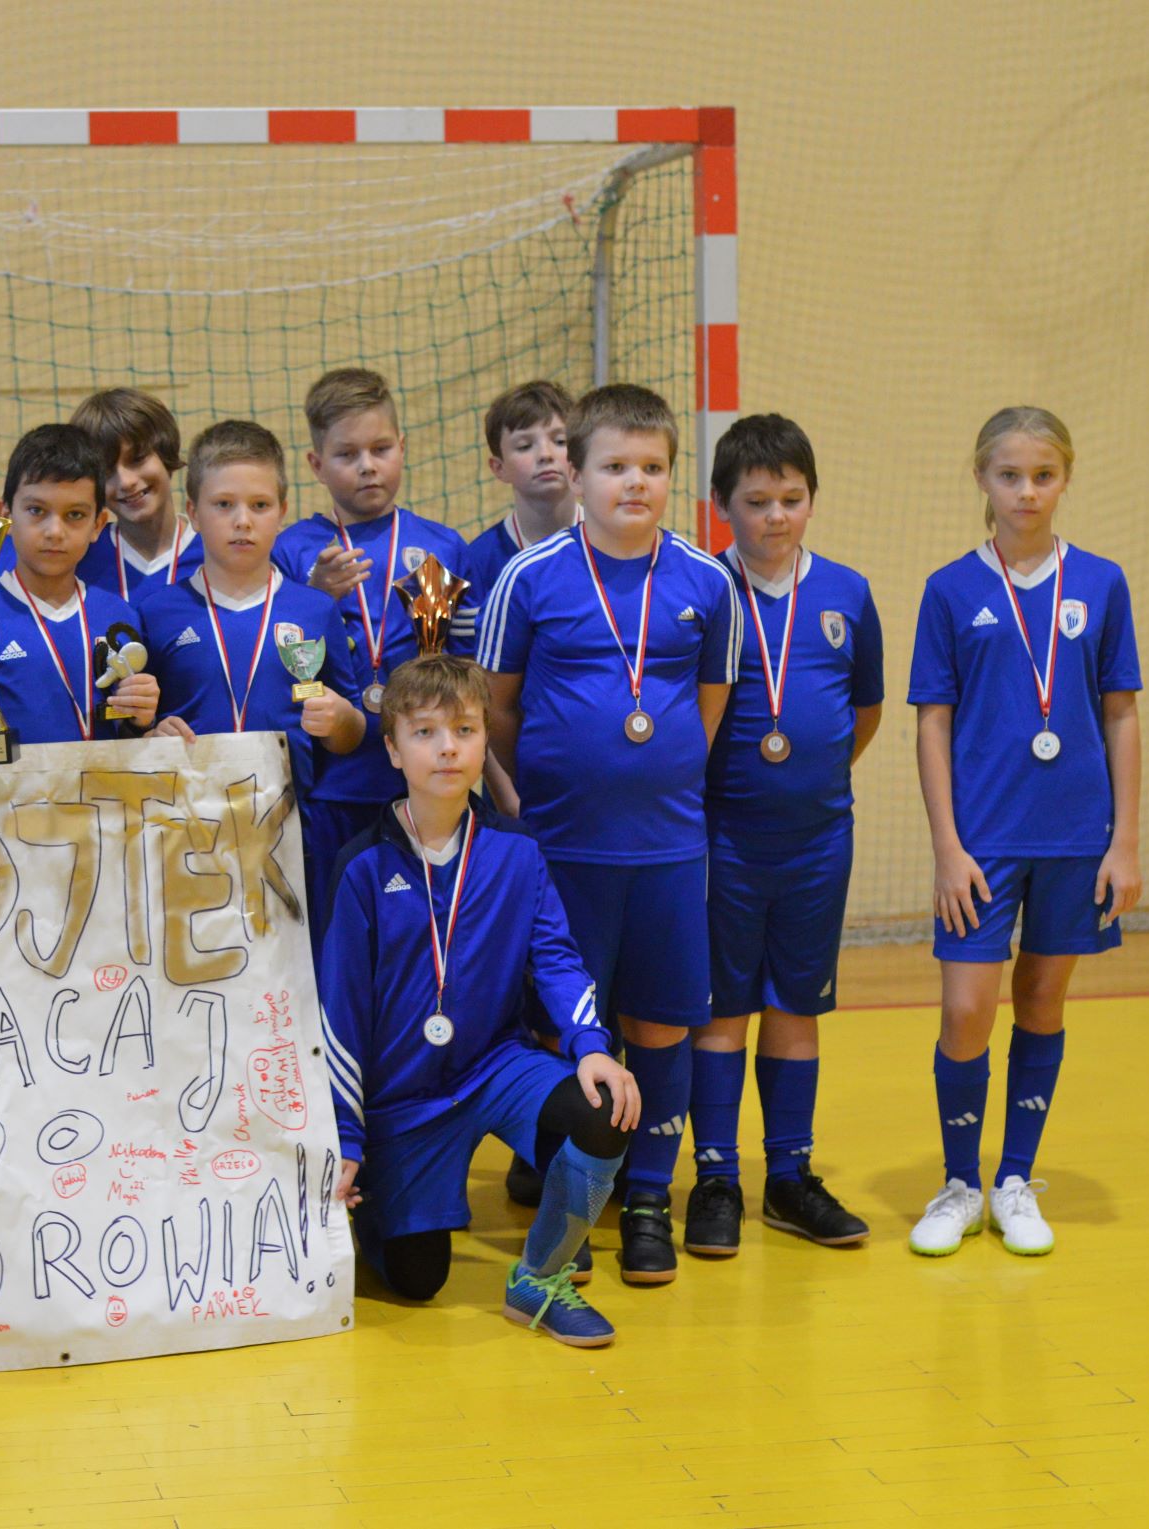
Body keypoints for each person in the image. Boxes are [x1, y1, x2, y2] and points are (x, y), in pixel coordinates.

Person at [477, 382, 740, 1287]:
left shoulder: (707, 581)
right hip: (561, 850)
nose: (636, 482)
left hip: (667, 850)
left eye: (653, 467)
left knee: (661, 1025)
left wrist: (656, 768)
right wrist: (539, 792)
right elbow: (498, 706)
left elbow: (708, 704)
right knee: (566, 1026)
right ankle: (572, 1201)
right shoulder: (529, 577)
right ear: (577, 474)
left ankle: (648, 1199)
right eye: (615, 465)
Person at [322, 654, 639, 1345]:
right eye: (426, 732)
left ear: (484, 742)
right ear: (392, 749)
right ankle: (376, 1209)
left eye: (465, 730)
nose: (448, 748)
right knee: (417, 1280)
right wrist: (345, 1139)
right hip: (402, 1098)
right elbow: (338, 1017)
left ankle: (540, 1279)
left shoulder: (516, 851)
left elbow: (556, 958)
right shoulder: (363, 867)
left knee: (603, 1105)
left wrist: (591, 1047)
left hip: (495, 1067)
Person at [906, 406, 1141, 1258]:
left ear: (1065, 479)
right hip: (982, 841)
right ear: (982, 478)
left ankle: (1012, 1179)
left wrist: (1124, 841)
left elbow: (1120, 714)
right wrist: (947, 847)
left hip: (1075, 836)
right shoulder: (950, 589)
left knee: (1042, 998)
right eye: (1010, 475)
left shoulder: (1102, 583)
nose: (1027, 491)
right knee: (967, 1008)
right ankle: (959, 1182)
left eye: (1043, 475)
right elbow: (932, 724)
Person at [687, 414, 883, 1257]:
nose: (776, 516)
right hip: (723, 838)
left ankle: (790, 1176)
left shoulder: (847, 593)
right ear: (721, 503)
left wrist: (811, 774)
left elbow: (864, 711)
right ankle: (717, 1177)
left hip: (816, 840)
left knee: (798, 1004)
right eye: (757, 500)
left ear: (812, 499)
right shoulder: (704, 589)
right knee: (723, 1007)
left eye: (792, 499)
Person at [138, 419, 366, 940]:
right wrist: (150, 735)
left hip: (292, 832)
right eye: (223, 505)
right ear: (193, 513)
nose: (242, 521)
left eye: (259, 505)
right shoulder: (157, 612)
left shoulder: (314, 610)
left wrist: (340, 719)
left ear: (282, 512)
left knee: (291, 969)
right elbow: (132, 728)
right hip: (186, 833)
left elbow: (351, 734)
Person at [272, 368, 475, 925]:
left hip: (420, 779)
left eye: (381, 449)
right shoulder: (293, 550)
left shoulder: (442, 546)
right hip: (329, 783)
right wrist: (313, 597)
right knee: (337, 923)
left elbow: (466, 669)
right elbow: (273, 654)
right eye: (347, 454)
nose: (367, 465)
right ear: (316, 464)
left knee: (420, 924)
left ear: (402, 447)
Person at [0, 423, 159, 746]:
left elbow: (129, 733)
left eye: (75, 515)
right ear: (5, 515)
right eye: (36, 510)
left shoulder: (118, 616)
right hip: (2, 781)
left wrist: (141, 718)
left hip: (102, 780)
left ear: (98, 524)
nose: (54, 531)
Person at [69, 387, 203, 599]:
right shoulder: (79, 556)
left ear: (166, 452)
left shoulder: (215, 551)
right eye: (107, 471)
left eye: (137, 459)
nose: (126, 482)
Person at [461, 379, 578, 602]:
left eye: (560, 441)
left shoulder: (611, 543)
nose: (545, 454)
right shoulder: (477, 562)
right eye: (525, 446)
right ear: (499, 468)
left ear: (580, 453)